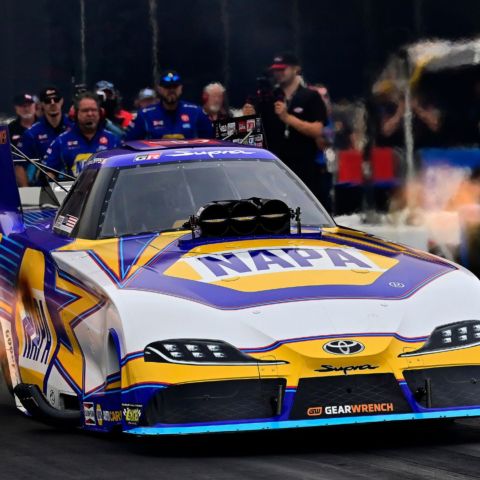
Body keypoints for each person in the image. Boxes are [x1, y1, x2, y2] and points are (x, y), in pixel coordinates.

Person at [243, 53, 327, 199]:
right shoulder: (268, 96)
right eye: (276, 70)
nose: (278, 73)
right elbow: (255, 134)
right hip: (274, 168)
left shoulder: (310, 96)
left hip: (305, 168)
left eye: (283, 69)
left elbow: (317, 130)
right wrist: (248, 117)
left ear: (296, 69)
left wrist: (287, 118)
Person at [43, 92, 120, 178]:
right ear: (75, 113)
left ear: (100, 113)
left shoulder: (113, 140)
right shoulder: (61, 141)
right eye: (85, 110)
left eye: (94, 110)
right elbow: (49, 172)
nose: (90, 114)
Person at [125, 70, 213, 140]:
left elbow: (211, 142)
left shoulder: (196, 112)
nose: (171, 90)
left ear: (181, 88)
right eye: (167, 87)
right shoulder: (145, 115)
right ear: (159, 89)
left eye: (175, 87)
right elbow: (128, 143)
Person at [19, 86, 72, 183]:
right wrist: (26, 192)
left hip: (74, 185)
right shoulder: (31, 134)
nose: (52, 103)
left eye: (56, 99)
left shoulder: (74, 127)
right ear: (41, 104)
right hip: (43, 189)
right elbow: (19, 166)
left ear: (62, 101)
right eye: (48, 100)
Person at [8, 92, 37, 186]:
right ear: (16, 108)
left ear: (35, 106)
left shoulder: (45, 126)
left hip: (43, 172)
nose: (26, 108)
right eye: (22, 106)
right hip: (16, 177)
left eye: (29, 105)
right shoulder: (10, 129)